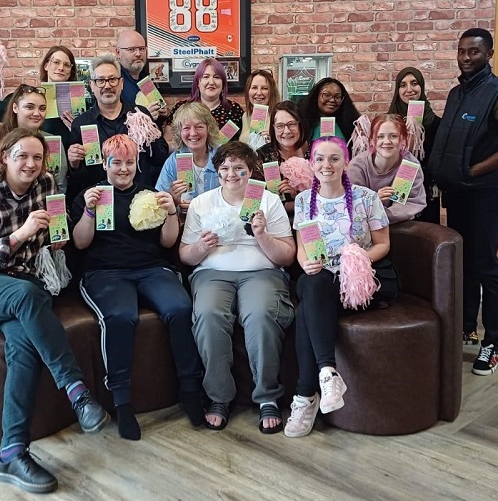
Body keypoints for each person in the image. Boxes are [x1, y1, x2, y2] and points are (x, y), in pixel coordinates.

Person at [0, 128, 108, 494]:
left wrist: (58, 234)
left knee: (23, 350)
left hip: (23, 290)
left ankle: (12, 452)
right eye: (22, 156)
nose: (31, 164)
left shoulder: (45, 184)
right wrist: (19, 235)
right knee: (25, 293)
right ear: (4, 157)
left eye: (37, 157)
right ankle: (76, 390)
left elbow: (54, 237)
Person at [71, 134, 204, 440]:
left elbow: (168, 241)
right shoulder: (90, 196)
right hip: (105, 273)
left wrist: (171, 210)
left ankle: (190, 389)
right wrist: (89, 212)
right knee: (120, 317)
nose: (123, 169)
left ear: (137, 163)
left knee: (180, 308)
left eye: (129, 162)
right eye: (116, 162)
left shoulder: (149, 193)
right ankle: (122, 402)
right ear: (105, 164)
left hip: (151, 268)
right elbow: (80, 242)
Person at [428, 28, 498, 375]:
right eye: (462, 52)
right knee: (463, 261)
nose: (467, 58)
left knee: (485, 264)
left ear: (489, 54)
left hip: (483, 192)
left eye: (474, 52)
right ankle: (467, 327)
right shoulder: (456, 94)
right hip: (457, 193)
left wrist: (474, 171)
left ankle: (492, 343)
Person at [179, 141, 295, 434]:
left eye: (239, 169)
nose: (232, 174)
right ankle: (218, 396)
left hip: (261, 272)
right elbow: (185, 256)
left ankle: (267, 396)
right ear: (216, 173)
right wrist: (201, 247)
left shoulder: (267, 201)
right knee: (208, 315)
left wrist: (262, 235)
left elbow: (287, 255)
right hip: (212, 272)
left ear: (250, 171)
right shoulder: (201, 203)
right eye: (225, 169)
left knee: (260, 315)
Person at [285, 136, 390, 438]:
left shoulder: (366, 197)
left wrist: (357, 258)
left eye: (333, 159)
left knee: (308, 302)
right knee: (312, 282)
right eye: (319, 159)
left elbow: (384, 244)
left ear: (345, 162)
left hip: (357, 282)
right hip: (321, 279)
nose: (326, 165)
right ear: (311, 163)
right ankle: (327, 375)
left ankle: (305, 396)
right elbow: (302, 245)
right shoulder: (305, 200)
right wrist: (305, 262)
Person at [67, 53, 169, 207]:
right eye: (100, 80)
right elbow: (79, 180)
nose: (107, 86)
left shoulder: (140, 114)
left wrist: (147, 135)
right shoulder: (81, 124)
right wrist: (74, 164)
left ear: (121, 83)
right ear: (92, 85)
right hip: (101, 204)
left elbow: (160, 159)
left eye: (112, 79)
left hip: (139, 201)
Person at [0, 46, 79, 136]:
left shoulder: (80, 103)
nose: (61, 68)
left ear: (71, 70)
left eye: (66, 65)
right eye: (56, 62)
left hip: (66, 158)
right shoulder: (26, 97)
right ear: (46, 66)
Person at [0, 85, 68, 192]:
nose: (37, 113)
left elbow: (60, 185)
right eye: (29, 107)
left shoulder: (53, 141)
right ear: (15, 108)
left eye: (42, 108)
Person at [347, 114, 426, 223]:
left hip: (399, 224)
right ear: (372, 141)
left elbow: (405, 206)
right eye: (380, 136)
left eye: (393, 136)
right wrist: (373, 200)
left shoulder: (408, 165)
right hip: (364, 225)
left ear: (403, 140)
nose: (387, 141)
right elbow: (353, 205)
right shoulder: (357, 167)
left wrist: (380, 214)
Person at [387, 67, 442, 223]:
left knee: (426, 236)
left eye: (414, 83)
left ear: (422, 87)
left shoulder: (436, 123)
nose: (409, 89)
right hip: (395, 187)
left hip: (427, 189)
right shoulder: (389, 123)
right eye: (403, 85)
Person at [155, 102, 223, 211]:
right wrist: (173, 200)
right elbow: (159, 202)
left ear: (208, 129)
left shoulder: (224, 156)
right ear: (179, 132)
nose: (193, 133)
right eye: (186, 128)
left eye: (199, 127)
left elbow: (238, 193)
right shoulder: (173, 161)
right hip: (186, 223)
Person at [164, 58, 245, 149]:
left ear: (223, 83)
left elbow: (244, 142)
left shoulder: (234, 109)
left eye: (216, 77)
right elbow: (168, 142)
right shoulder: (181, 108)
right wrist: (189, 147)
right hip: (189, 161)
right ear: (198, 82)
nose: (211, 82)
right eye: (206, 77)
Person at [255, 100, 311, 211]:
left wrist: (297, 196)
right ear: (273, 128)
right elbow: (255, 202)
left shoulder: (315, 152)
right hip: (274, 221)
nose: (286, 131)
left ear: (300, 125)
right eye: (280, 126)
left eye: (292, 124)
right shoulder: (262, 155)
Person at [115, 30, 169, 122]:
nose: (138, 54)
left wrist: (162, 113)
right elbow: (110, 120)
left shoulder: (146, 78)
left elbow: (157, 115)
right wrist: (144, 117)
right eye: (131, 49)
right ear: (118, 53)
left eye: (142, 49)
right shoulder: (113, 81)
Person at [300, 77, 361, 143]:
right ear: (316, 96)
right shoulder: (303, 123)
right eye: (327, 95)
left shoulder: (351, 124)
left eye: (337, 97)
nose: (332, 100)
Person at [240, 70, 279, 149]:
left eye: (264, 88)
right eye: (254, 87)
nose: (258, 93)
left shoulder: (278, 116)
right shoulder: (246, 116)